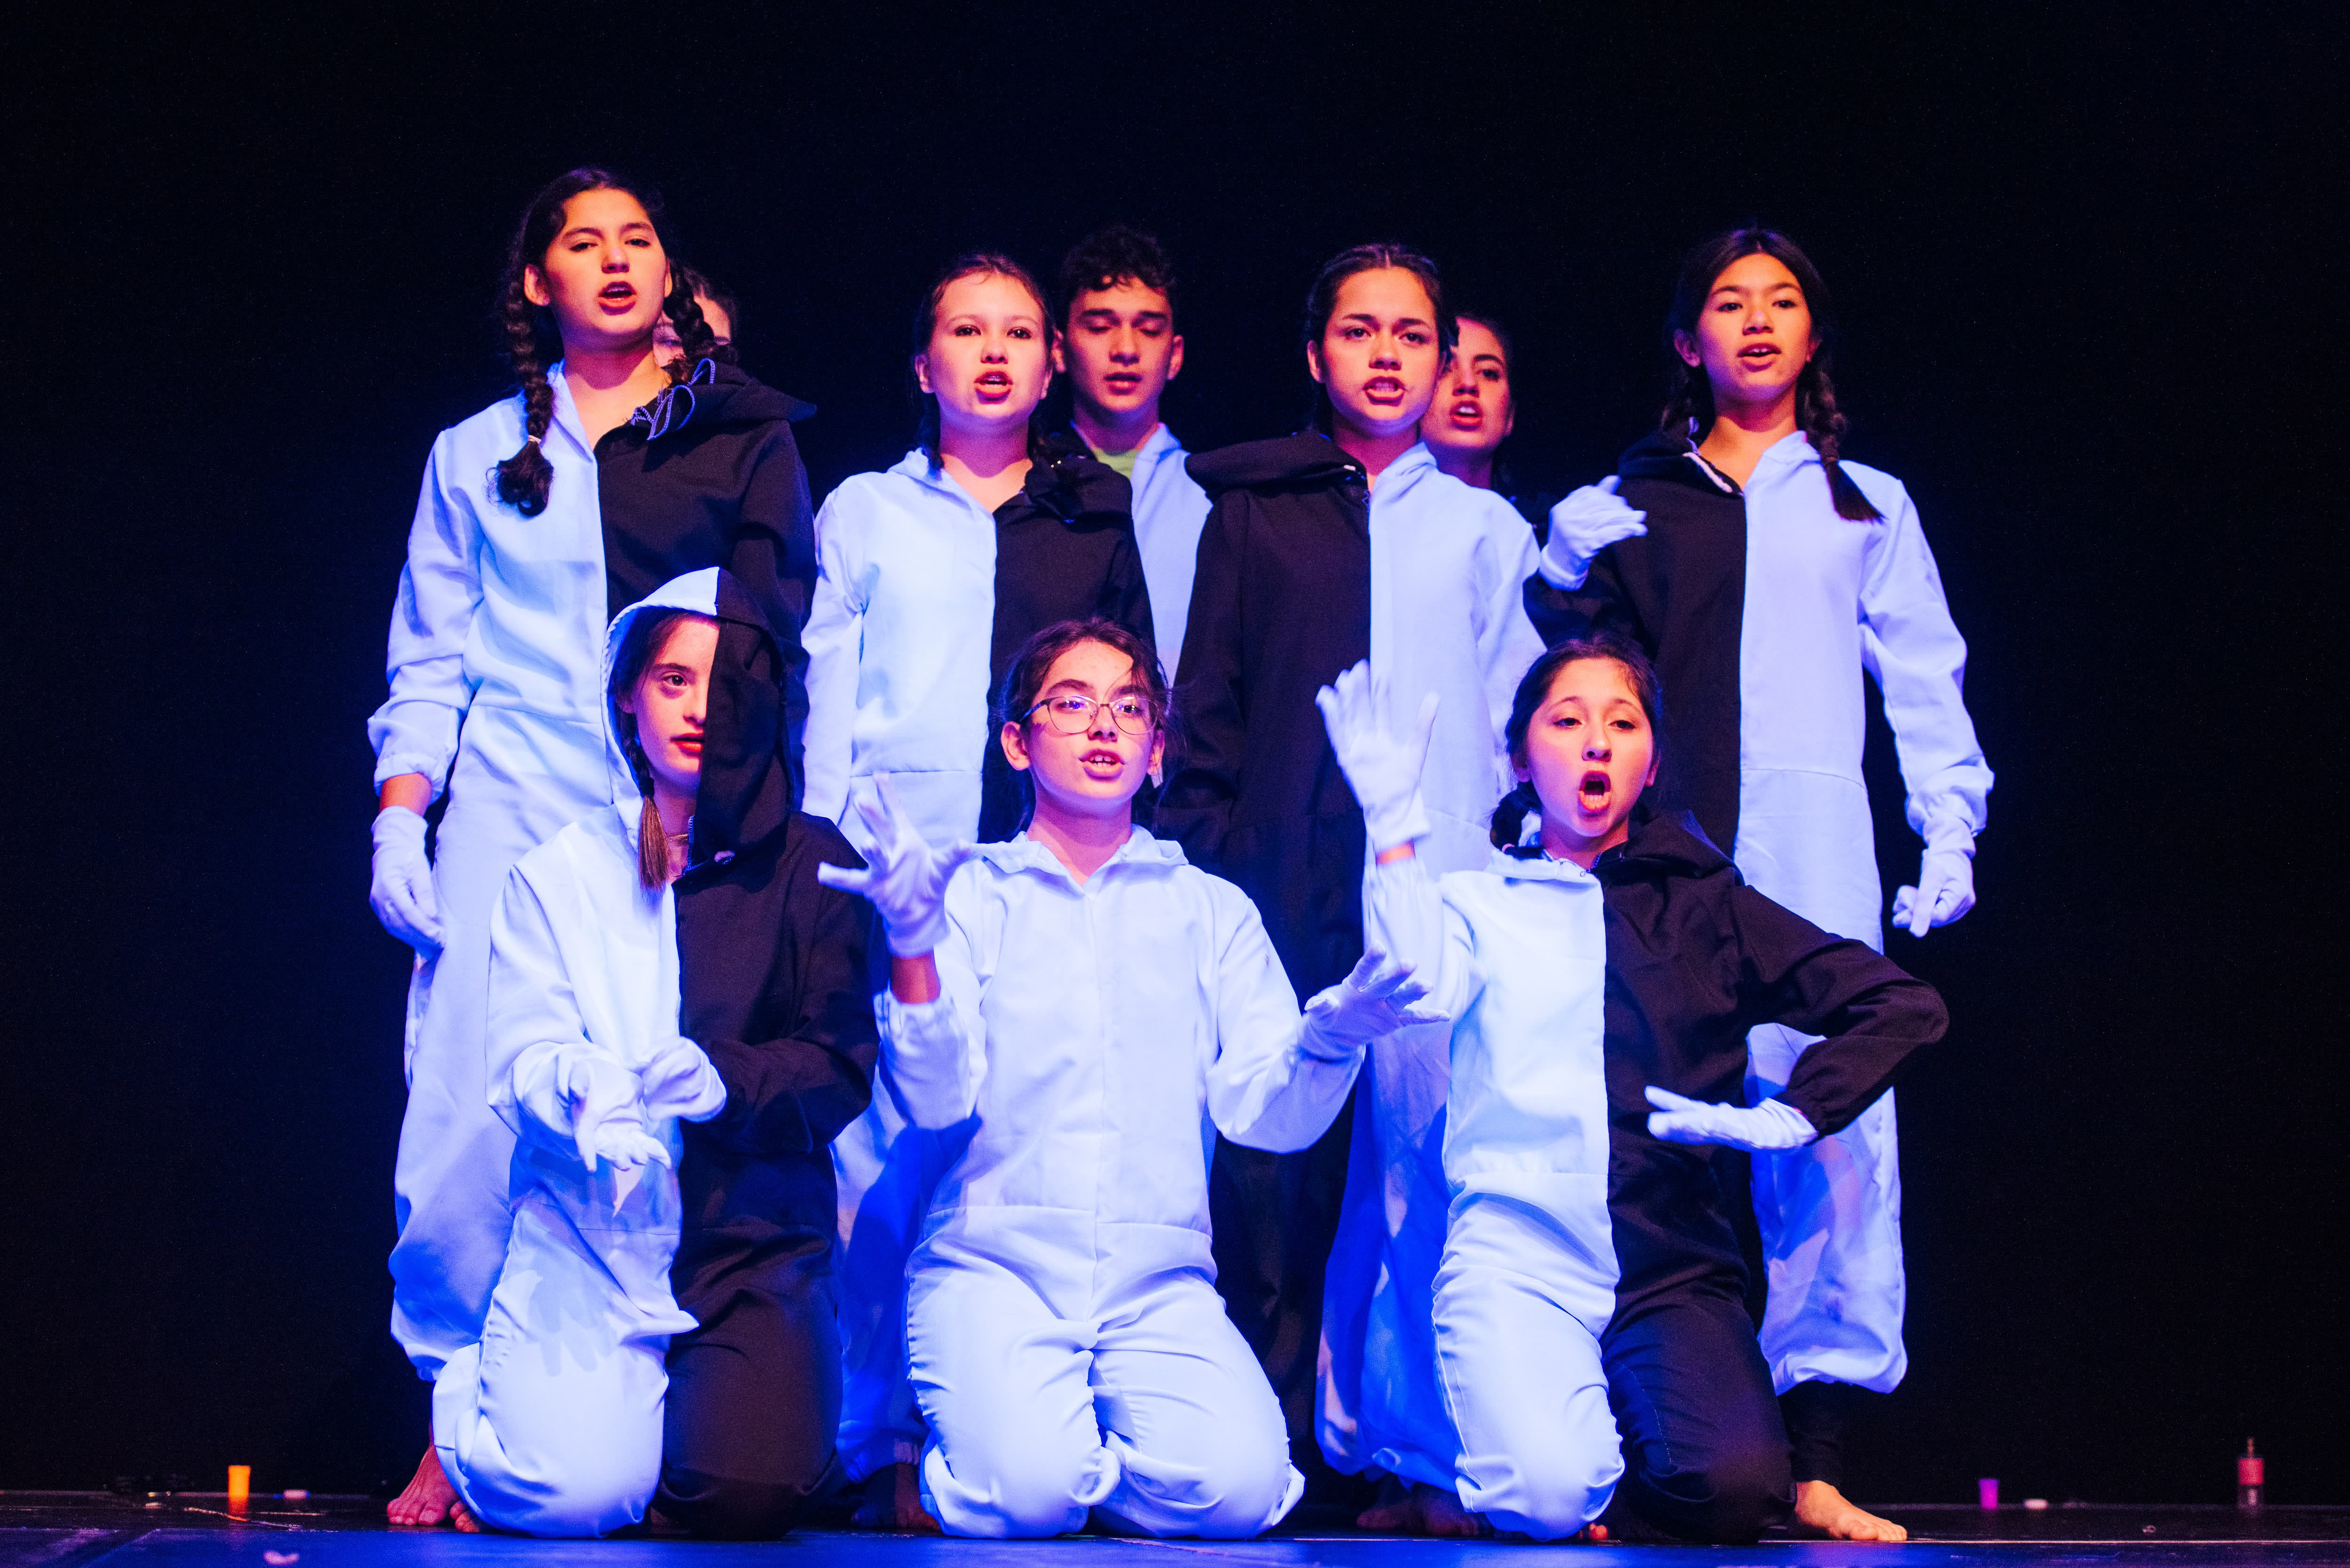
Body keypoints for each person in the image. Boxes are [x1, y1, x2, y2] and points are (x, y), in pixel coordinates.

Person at [368, 167, 820, 1527]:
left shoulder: (728, 430)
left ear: (671, 272)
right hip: (511, 809)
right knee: (467, 1120)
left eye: (639, 240)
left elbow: (778, 631)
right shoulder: (473, 451)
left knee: (666, 1100)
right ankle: (455, 1398)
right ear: (538, 280)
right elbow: (432, 650)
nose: (617, 259)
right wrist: (401, 811)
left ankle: (681, 1398)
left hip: (675, 820)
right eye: (584, 241)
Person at [1536, 228, 1993, 1539]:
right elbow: (1557, 672)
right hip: (1662, 848)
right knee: (1635, 1113)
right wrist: (1558, 567)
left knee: (1829, 1132)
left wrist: (1948, 826)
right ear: (1688, 341)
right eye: (1727, 304)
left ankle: (1814, 1449)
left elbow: (1924, 670)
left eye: (1780, 301)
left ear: (1811, 334)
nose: (1754, 321)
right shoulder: (1637, 498)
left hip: (1811, 840)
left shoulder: (1864, 503)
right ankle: (1621, 1427)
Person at [816, 619, 1433, 1538]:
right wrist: (912, 943)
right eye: (1071, 703)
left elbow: (1266, 1115)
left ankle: (1075, 1464)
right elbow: (935, 1095)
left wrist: (1332, 1038)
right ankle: (1012, 1462)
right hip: (996, 1264)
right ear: (1017, 742)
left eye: (1131, 707)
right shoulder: (971, 892)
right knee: (1025, 1494)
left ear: (1156, 753)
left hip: (1158, 1281)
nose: (1104, 724)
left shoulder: (1211, 910)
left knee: (1241, 1494)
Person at [1319, 639, 1946, 1542]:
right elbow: (1414, 975)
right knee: (1546, 1495)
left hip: (1669, 1263)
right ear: (1521, 756)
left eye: (1622, 722)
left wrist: (1797, 1109)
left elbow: (1900, 1003)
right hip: (1519, 1255)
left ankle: (1570, 1495)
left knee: (1734, 1492)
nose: (1596, 741)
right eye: (1567, 720)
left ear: (1651, 763)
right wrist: (1392, 831)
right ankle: (1522, 1489)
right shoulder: (1481, 903)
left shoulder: (1708, 908)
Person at [1156, 244, 1545, 1511]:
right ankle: (1268, 1447)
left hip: (1441, 882)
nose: (1387, 355)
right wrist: (1202, 869)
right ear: (1316, 353)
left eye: (1413, 334)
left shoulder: (1487, 529)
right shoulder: (1254, 512)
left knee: (1423, 1165)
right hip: (1279, 875)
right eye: (1361, 331)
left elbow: (1521, 719)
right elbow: (1208, 701)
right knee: (1275, 1171)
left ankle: (1412, 1450)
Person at [801, 252, 1152, 1528]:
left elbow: (1127, 685)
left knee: (1006, 1146)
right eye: (966, 330)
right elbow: (825, 698)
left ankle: (1018, 1425)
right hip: (890, 871)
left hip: (1040, 876)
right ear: (923, 363)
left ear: (1052, 365)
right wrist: (826, 860)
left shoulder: (1091, 512)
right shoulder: (865, 510)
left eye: (1017, 332)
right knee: (879, 1154)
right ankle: (872, 1437)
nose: (994, 353)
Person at [436, 568, 879, 1538]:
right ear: (627, 697)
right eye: (674, 680)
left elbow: (840, 1064)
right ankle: (480, 1401)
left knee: (746, 1491)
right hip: (593, 1237)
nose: (700, 709)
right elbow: (523, 1049)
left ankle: (649, 1441)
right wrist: (576, 1084)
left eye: (727, 685)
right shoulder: (560, 872)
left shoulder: (815, 864)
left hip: (753, 1245)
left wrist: (727, 1082)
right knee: (571, 1495)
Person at [1052, 226, 1212, 678]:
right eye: (1100, 327)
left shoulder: (1214, 498)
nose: (1126, 349)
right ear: (1059, 350)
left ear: (1175, 354)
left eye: (1149, 329)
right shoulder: (1026, 487)